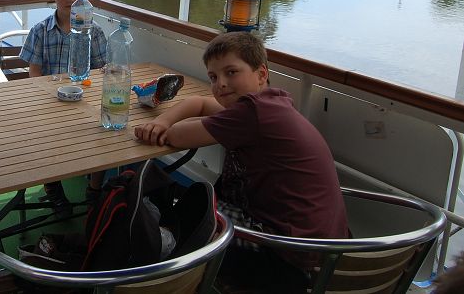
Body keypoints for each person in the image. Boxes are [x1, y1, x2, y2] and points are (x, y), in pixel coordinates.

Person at [134, 31, 349, 292]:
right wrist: (162, 120)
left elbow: (176, 136)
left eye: (231, 72)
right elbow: (198, 102)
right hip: (323, 248)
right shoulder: (271, 104)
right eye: (213, 77)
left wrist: (162, 125)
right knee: (191, 203)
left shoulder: (253, 113)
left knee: (189, 215)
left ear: (261, 74)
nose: (221, 84)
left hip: (286, 254)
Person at [20, 0, 108, 214]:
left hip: (85, 99)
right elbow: (34, 72)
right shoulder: (40, 31)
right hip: (50, 101)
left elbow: (101, 69)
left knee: (105, 128)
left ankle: (94, 188)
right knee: (46, 135)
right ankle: (52, 186)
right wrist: (46, 95)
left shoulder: (94, 30)